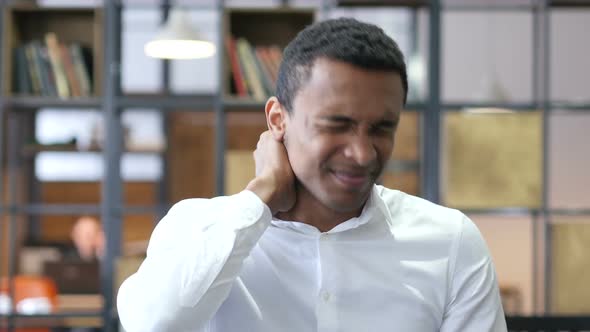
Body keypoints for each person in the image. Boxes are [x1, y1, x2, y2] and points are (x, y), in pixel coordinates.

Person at [117, 17, 507, 332]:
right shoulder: (196, 227)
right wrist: (261, 196)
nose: (362, 152)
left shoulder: (451, 242)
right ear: (277, 120)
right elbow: (153, 324)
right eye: (336, 125)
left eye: (382, 128)